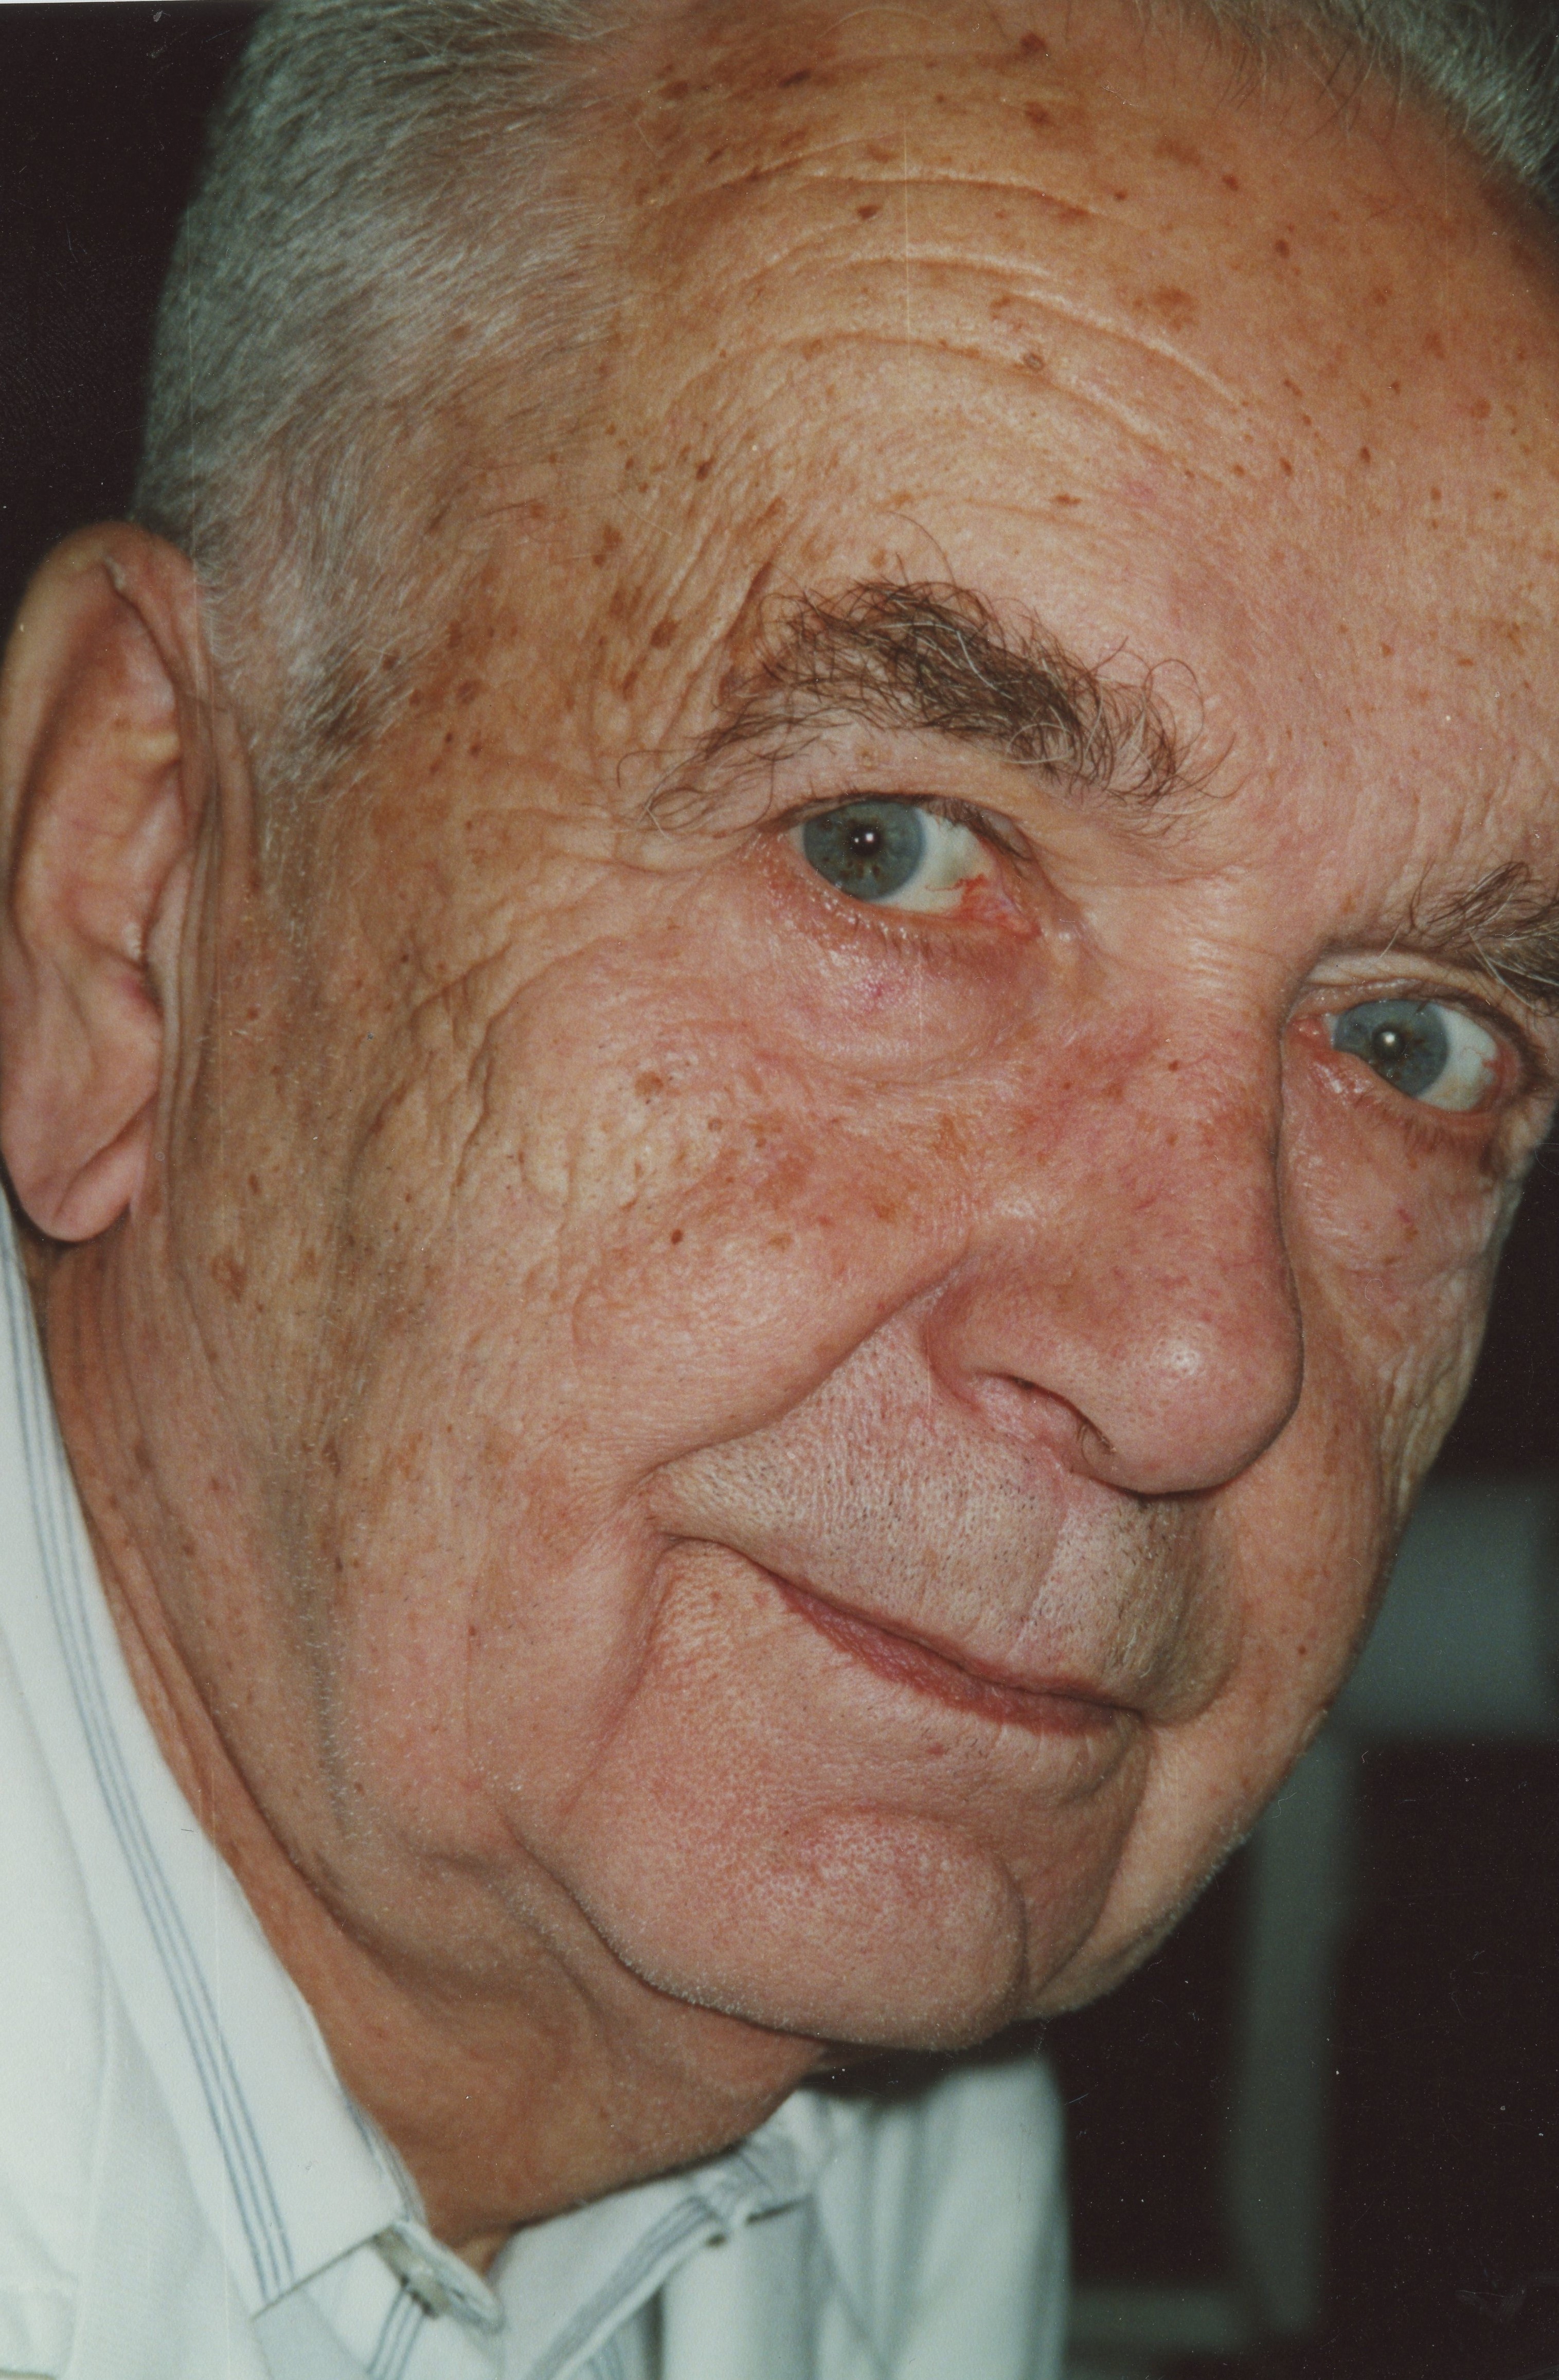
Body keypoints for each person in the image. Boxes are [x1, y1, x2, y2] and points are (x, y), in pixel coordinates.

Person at [2, 0, 1557, 2373]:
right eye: (885, 851)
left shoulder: (872, 2121)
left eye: (1406, 1040)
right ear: (136, 883)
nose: (1197, 1361)